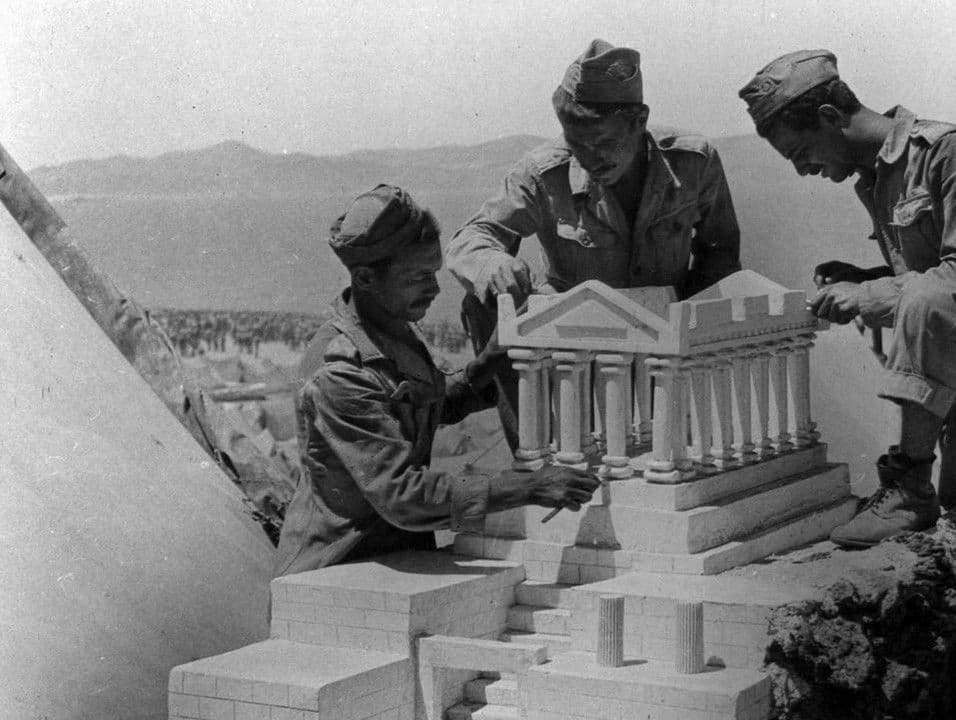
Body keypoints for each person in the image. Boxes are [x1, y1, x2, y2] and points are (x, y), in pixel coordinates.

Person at [738, 50, 956, 677]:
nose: (803, 171)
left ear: (830, 116)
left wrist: (874, 295)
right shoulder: (875, 178)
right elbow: (934, 281)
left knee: (927, 301)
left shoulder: (949, 151)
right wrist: (865, 277)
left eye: (801, 152)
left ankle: (907, 482)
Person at [274, 185, 599, 576]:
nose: (434, 288)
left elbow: (434, 404)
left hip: (397, 558)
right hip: (337, 567)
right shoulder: (340, 372)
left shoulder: (392, 332)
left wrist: (492, 356)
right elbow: (402, 495)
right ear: (365, 278)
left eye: (434, 272)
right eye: (418, 277)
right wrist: (528, 487)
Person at [446, 38, 742, 449]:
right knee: (483, 301)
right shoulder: (543, 173)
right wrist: (492, 265)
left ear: (640, 122)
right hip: (574, 342)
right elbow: (473, 236)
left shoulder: (694, 162)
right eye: (577, 144)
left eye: (604, 143)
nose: (589, 157)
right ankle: (531, 454)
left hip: (664, 340)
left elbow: (721, 252)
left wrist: (682, 335)